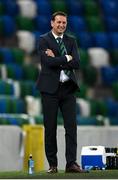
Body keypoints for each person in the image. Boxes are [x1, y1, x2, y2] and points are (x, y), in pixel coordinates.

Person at [36, 11, 88, 173]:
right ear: (52, 23)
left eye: (64, 23)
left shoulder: (71, 40)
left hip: (68, 89)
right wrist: (66, 58)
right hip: (49, 90)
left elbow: (77, 63)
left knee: (71, 127)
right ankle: (53, 165)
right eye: (58, 22)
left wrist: (57, 58)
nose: (61, 25)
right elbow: (47, 62)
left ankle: (71, 163)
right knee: (50, 128)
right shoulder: (44, 40)